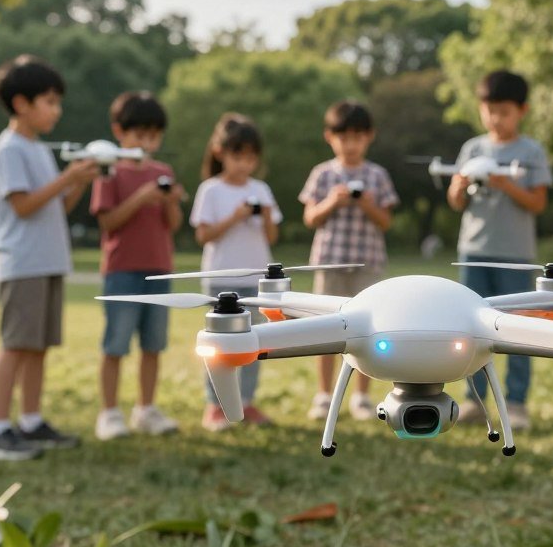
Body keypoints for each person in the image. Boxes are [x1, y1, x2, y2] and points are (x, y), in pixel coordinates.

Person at [0, 55, 99, 460]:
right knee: (15, 346)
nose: (56, 110)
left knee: (38, 347)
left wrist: (76, 182)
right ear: (21, 103)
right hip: (22, 262)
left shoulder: (38, 149)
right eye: (49, 101)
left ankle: (30, 420)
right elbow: (24, 207)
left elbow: (55, 207)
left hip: (47, 261)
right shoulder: (10, 149)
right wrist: (67, 177)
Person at [448, 70, 553, 431]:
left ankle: (517, 403)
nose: (496, 118)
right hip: (473, 252)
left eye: (504, 111)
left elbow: (538, 203)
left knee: (518, 330)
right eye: (489, 110)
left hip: (515, 255)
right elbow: (455, 202)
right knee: (471, 331)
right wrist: (459, 187)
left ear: (522, 110)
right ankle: (474, 400)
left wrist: (505, 184)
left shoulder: (531, 151)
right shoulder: (472, 149)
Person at [90, 92, 185, 440]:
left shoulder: (163, 171)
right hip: (122, 271)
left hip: (159, 269)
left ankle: (146, 408)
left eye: (154, 136)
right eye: (139, 135)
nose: (147, 143)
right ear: (120, 131)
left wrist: (171, 201)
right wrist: (142, 197)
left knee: (153, 344)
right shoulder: (108, 170)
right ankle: (110, 412)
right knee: (115, 343)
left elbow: (172, 224)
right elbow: (108, 223)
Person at [300, 100, 399, 421]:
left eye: (357, 137)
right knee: (325, 330)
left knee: (368, 332)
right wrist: (332, 201)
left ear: (369, 137)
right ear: (330, 137)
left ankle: (361, 398)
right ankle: (325, 394)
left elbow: (386, 222)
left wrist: (368, 205)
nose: (350, 144)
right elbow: (310, 218)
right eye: (344, 137)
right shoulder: (322, 174)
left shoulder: (378, 175)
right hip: (328, 262)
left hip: (367, 264)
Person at [190, 113, 282, 431]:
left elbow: (272, 237)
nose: (244, 164)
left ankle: (246, 402)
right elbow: (203, 236)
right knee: (218, 345)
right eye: (237, 156)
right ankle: (214, 406)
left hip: (256, 280)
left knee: (255, 343)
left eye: (250, 158)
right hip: (220, 279)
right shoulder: (210, 190)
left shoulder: (262, 188)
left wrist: (266, 215)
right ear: (220, 153)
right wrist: (235, 216)